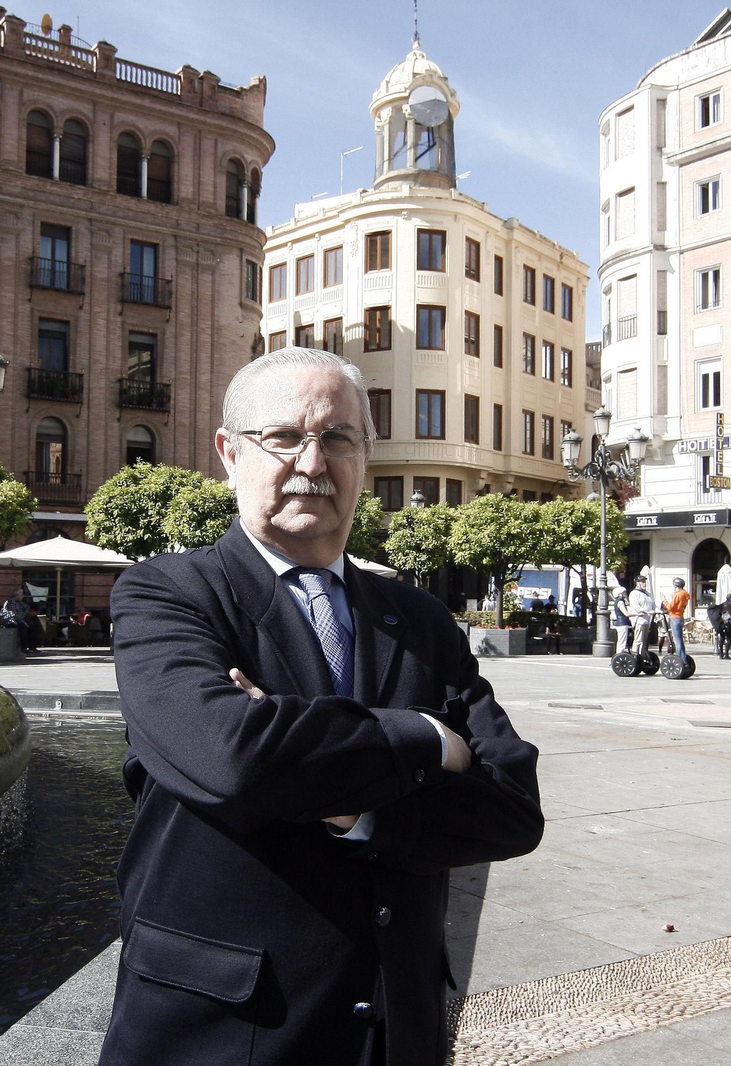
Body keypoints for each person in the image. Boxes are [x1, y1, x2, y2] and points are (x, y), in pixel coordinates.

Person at [100, 348, 543, 1066]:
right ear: (229, 453)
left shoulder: (421, 618)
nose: (313, 461)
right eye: (283, 437)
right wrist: (427, 739)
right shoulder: (168, 595)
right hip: (220, 1033)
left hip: (395, 1033)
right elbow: (234, 754)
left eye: (338, 438)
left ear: (364, 457)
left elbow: (514, 808)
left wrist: (349, 803)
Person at [660, 577, 690, 659]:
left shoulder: (678, 595)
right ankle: (683, 657)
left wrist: (664, 601)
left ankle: (681, 658)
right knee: (680, 639)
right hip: (680, 617)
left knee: (677, 640)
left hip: (674, 617)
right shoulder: (685, 594)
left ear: (676, 585)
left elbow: (671, 607)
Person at [627, 576, 653, 655]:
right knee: (638, 639)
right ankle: (635, 655)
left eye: (644, 581)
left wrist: (659, 610)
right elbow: (635, 606)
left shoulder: (647, 594)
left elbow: (653, 604)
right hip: (639, 619)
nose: (644, 583)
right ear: (637, 583)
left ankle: (642, 656)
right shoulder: (634, 593)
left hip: (647, 620)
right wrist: (645, 611)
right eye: (642, 582)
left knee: (644, 640)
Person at [611, 588, 631, 653]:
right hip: (622, 623)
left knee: (621, 641)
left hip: (621, 623)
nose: (625, 593)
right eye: (624, 592)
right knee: (622, 641)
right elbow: (626, 614)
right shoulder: (620, 602)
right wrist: (637, 614)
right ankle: (620, 654)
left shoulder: (619, 601)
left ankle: (619, 654)